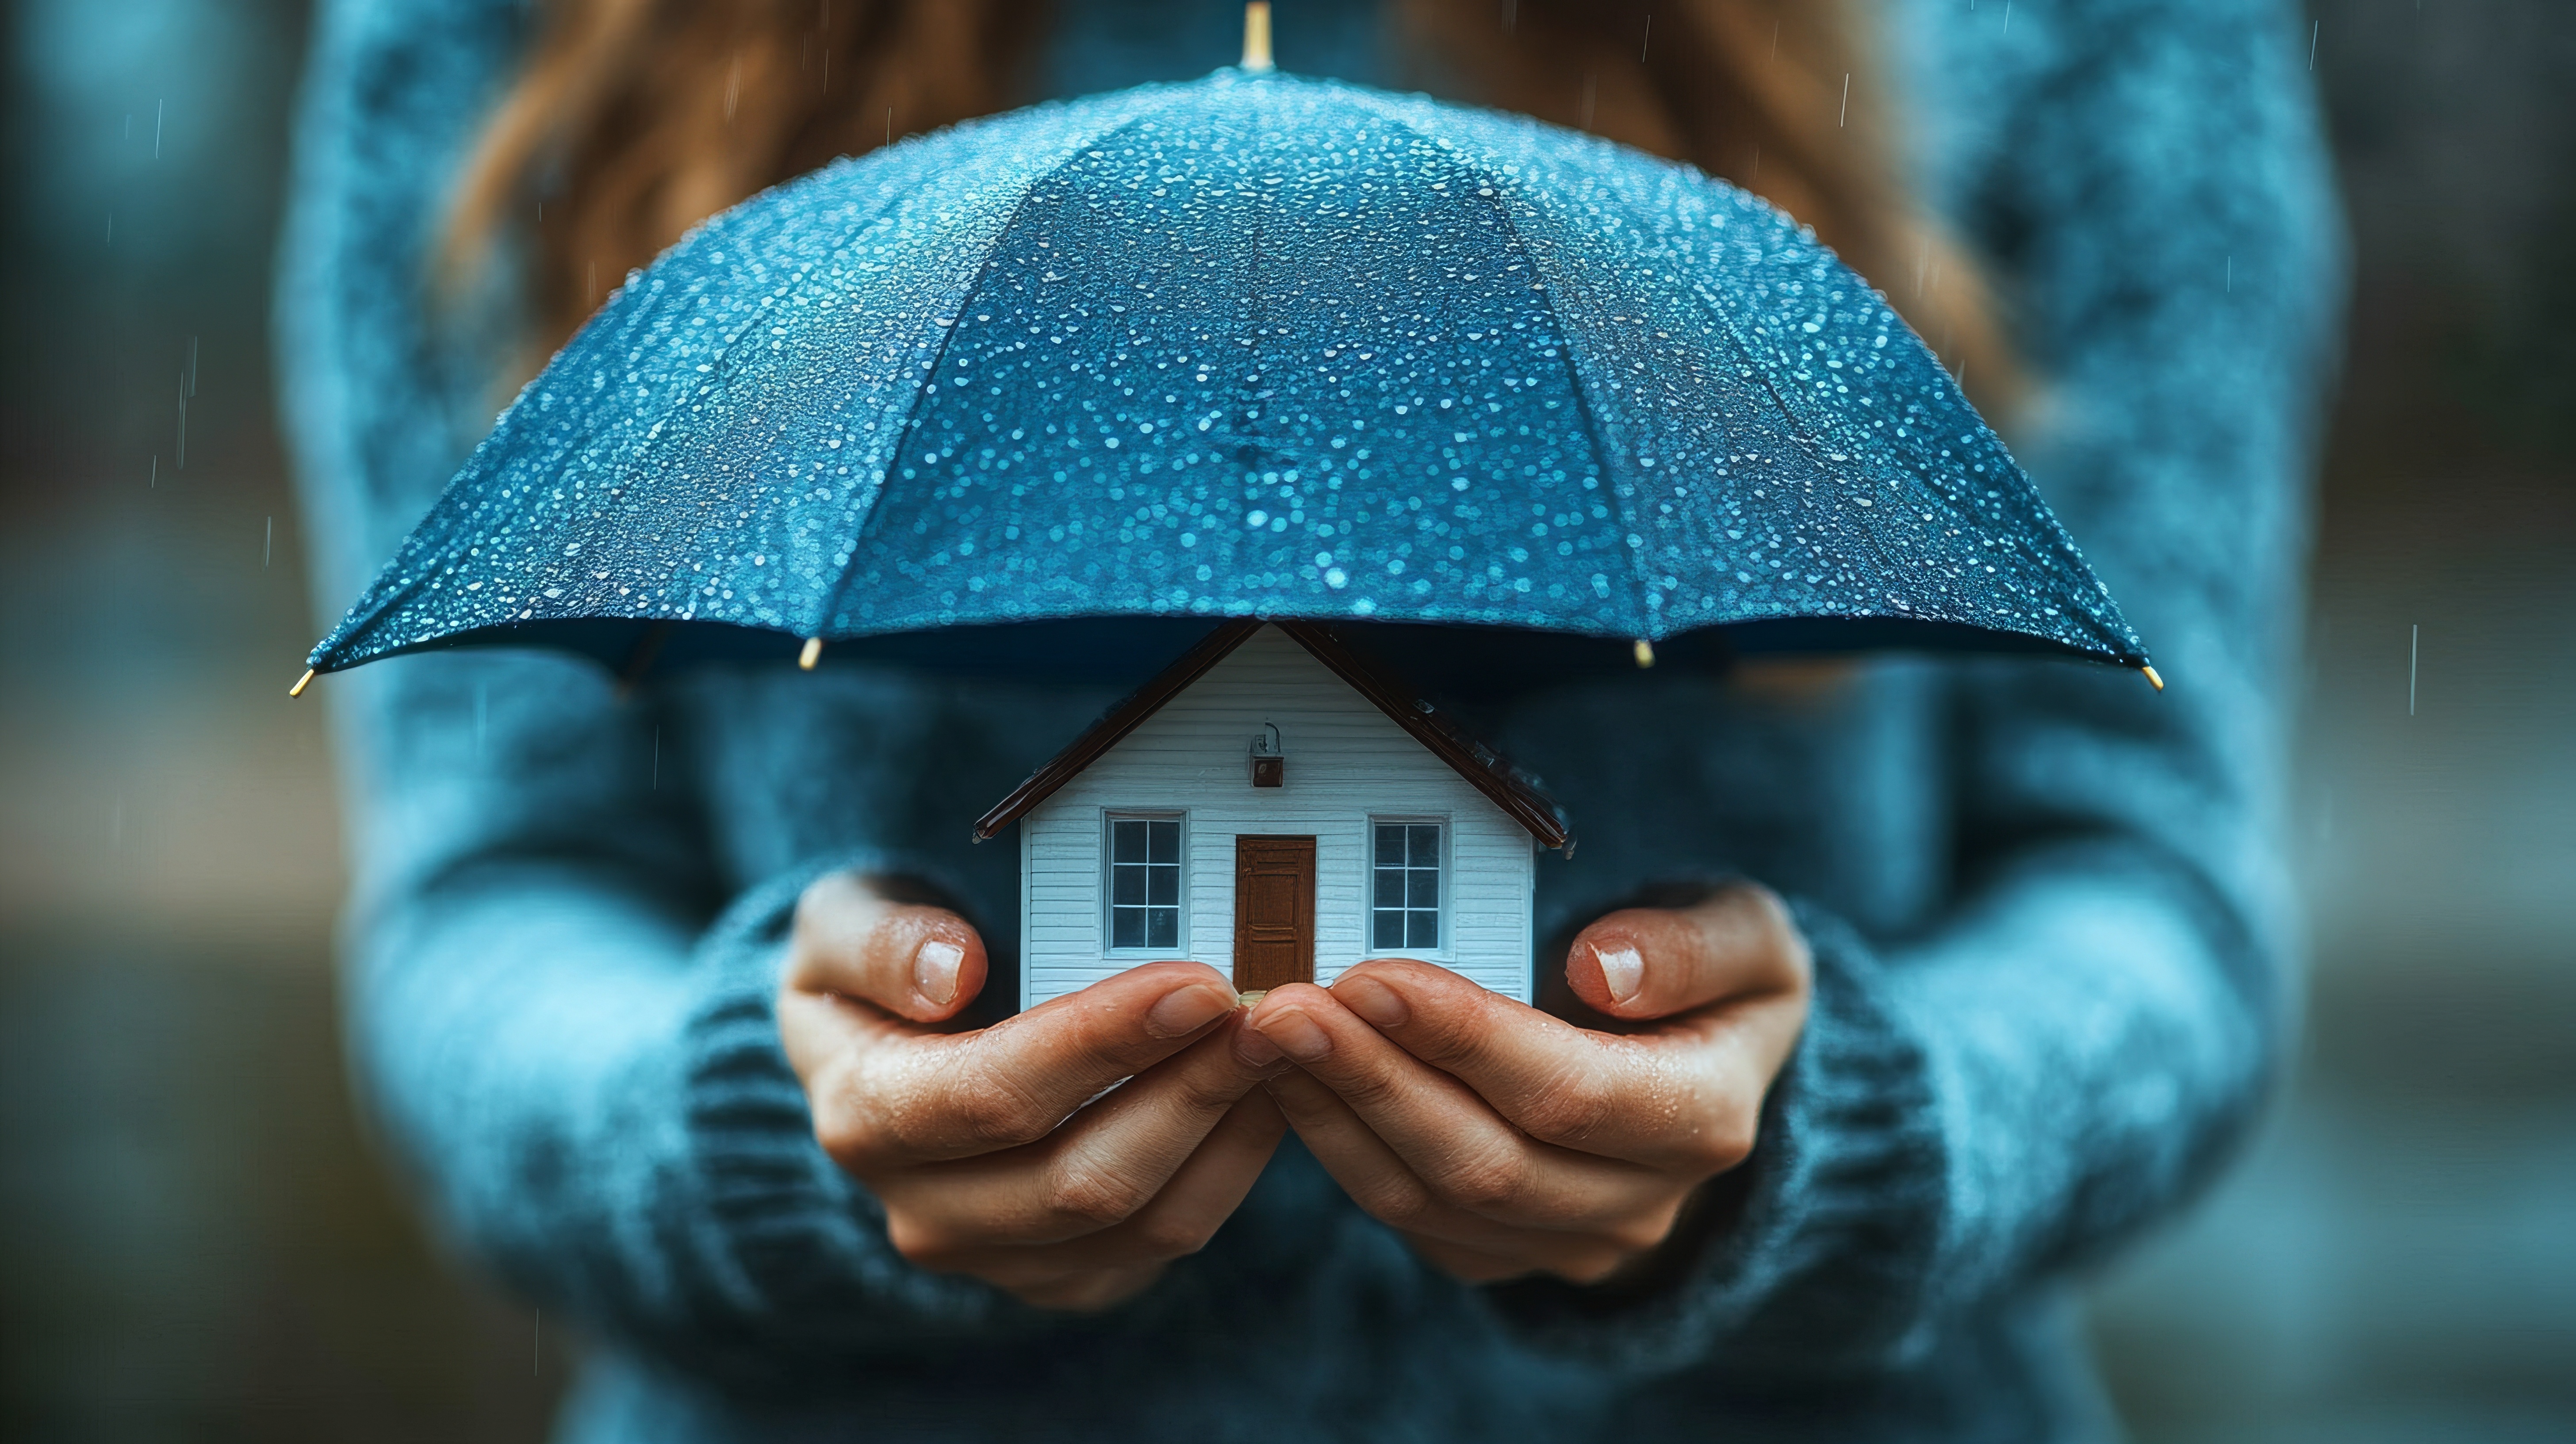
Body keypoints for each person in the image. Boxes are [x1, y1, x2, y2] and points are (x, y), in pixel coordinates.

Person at [279, 0, 2342, 1438]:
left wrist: (1829, 1145)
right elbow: (494, 904)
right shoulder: (505, 27)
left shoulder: (2077, 16)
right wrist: (754, 1121)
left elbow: (2152, 894)